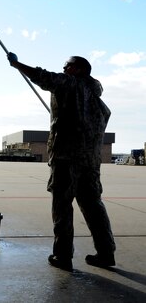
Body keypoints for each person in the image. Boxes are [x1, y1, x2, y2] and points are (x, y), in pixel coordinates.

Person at [7, 52, 116, 272]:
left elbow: (43, 77)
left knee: (62, 207)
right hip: (90, 163)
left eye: (67, 66)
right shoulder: (96, 97)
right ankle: (106, 253)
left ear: (78, 69)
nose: (64, 69)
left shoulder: (70, 84)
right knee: (94, 207)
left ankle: (63, 256)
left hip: (67, 159)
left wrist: (16, 63)